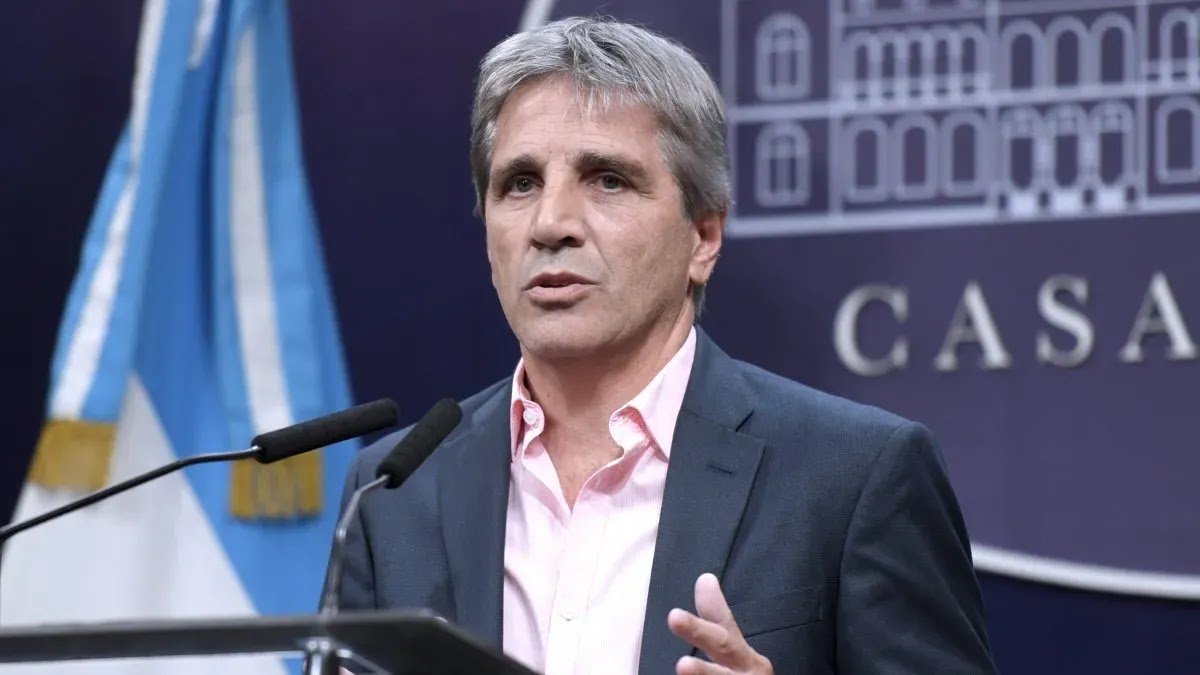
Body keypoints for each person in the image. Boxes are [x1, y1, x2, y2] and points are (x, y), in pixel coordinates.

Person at [332, 16, 996, 675]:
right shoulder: (393, 491)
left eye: (607, 179)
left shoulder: (854, 475)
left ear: (703, 237)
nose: (550, 223)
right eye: (520, 183)